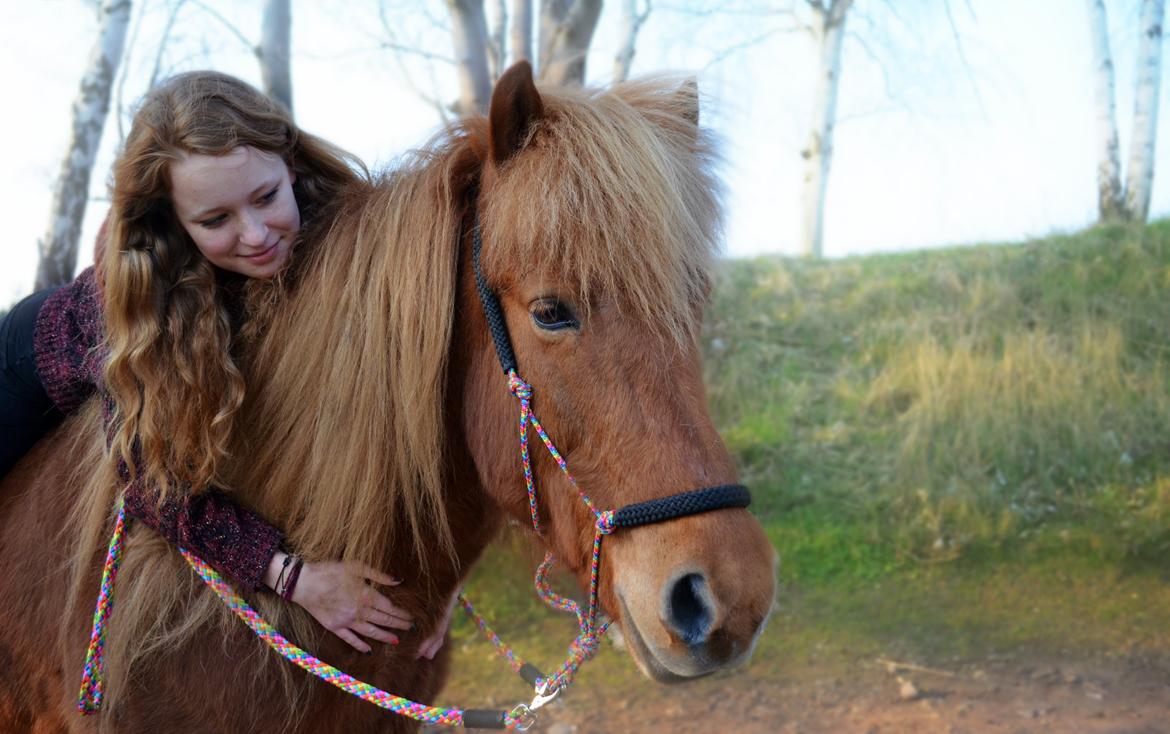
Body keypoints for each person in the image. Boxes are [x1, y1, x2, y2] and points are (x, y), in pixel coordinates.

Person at [0, 71, 453, 660]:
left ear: (289, 164)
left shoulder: (345, 236)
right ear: (175, 223)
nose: (257, 234)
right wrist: (295, 579)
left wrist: (441, 581)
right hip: (22, 368)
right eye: (215, 221)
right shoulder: (140, 303)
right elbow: (153, 486)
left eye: (265, 196)